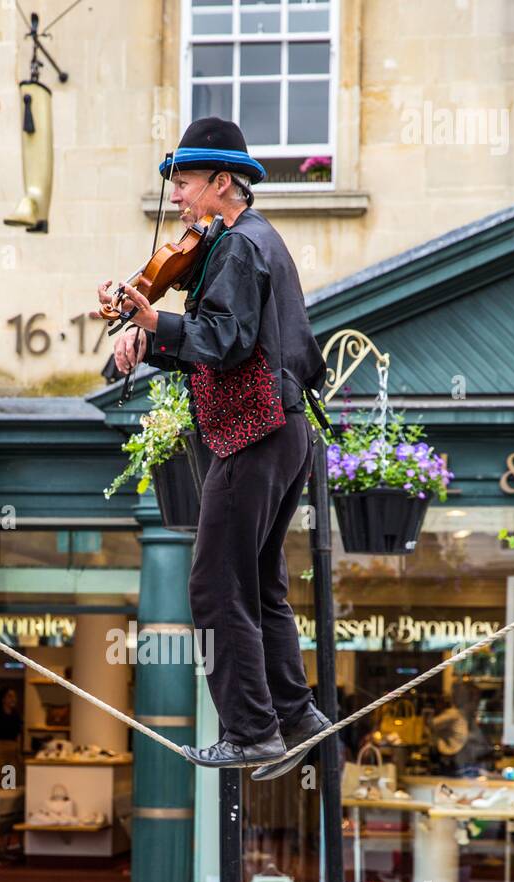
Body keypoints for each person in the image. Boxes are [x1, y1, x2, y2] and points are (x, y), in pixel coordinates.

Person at [98, 117, 329, 778]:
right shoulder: (250, 241)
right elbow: (223, 346)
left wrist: (153, 321)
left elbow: (225, 342)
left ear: (223, 182)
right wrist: (151, 337)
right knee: (259, 583)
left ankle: (252, 731)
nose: (175, 196)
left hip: (256, 432)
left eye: (185, 182)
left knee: (215, 583)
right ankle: (295, 716)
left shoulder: (237, 246)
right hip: (284, 431)